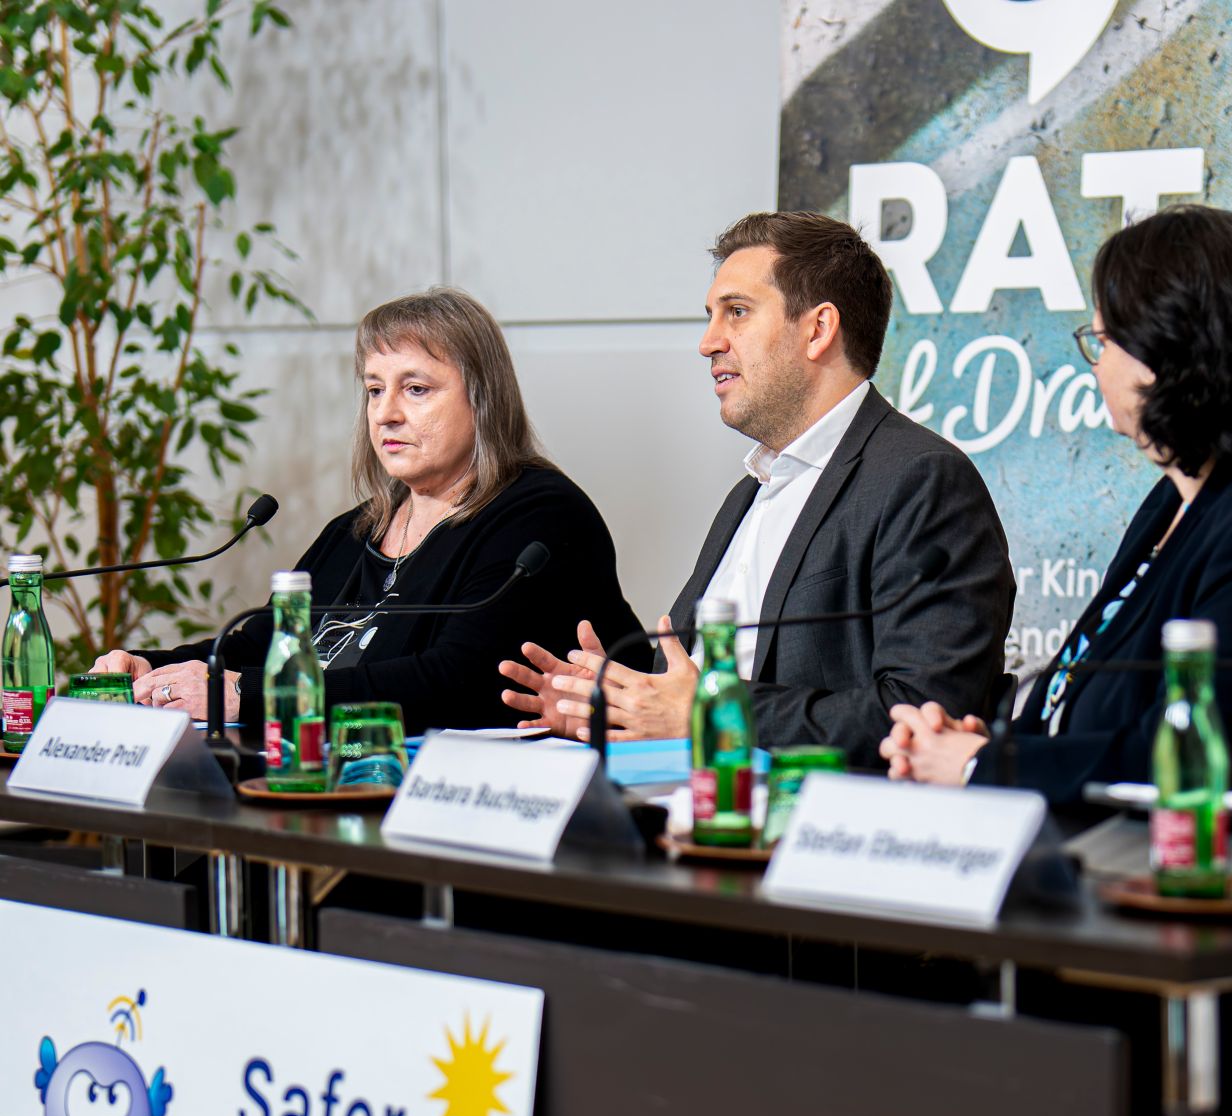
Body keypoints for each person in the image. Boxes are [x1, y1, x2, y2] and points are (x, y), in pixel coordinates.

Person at [876, 205, 1232, 806]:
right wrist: (991, 746)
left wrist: (985, 767)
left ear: (1171, 351)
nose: (1097, 366)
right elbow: (1087, 691)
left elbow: (1199, 751)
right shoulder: (1175, 497)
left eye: (1104, 340)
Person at [500, 212, 1013, 763]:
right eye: (710, 316)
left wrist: (710, 717)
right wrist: (614, 706)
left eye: (736, 313)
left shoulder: (921, 479)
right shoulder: (749, 492)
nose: (707, 343)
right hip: (692, 804)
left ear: (818, 329)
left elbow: (923, 713)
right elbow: (682, 690)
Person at [92, 287, 643, 732]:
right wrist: (153, 668)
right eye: (375, 390)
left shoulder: (540, 517)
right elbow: (261, 642)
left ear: (483, 399)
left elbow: (457, 680)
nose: (386, 414)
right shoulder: (359, 529)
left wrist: (249, 695)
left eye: (416, 389)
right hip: (345, 784)